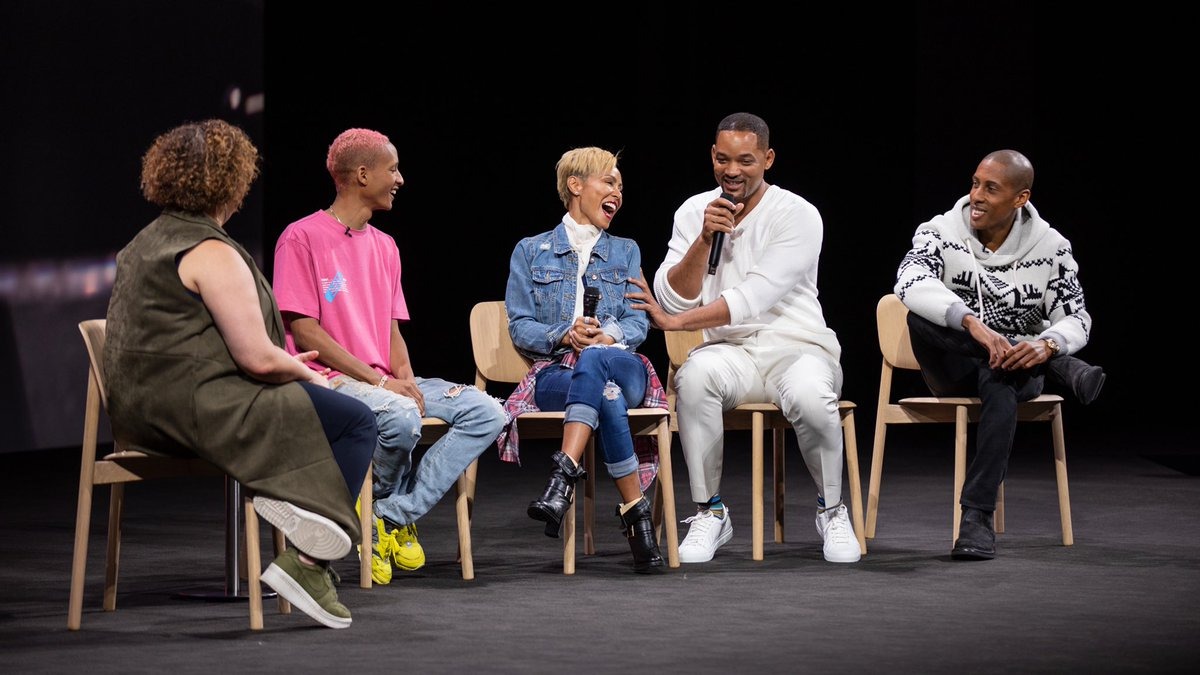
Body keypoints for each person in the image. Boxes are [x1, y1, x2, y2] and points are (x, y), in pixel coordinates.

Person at [104, 119, 375, 629]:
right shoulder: (212, 251)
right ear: (233, 181)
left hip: (138, 410)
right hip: (196, 408)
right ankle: (310, 559)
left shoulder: (142, 243)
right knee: (353, 419)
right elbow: (254, 356)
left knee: (315, 407)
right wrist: (304, 373)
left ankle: (297, 507)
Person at [272, 128, 506, 585]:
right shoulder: (300, 238)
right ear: (362, 174)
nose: (400, 178)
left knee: (488, 412)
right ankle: (381, 521)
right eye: (393, 169)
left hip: (383, 381)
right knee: (400, 417)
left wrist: (408, 380)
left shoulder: (386, 246)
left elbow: (392, 329)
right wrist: (383, 385)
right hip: (330, 379)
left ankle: (388, 515)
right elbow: (304, 330)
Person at [627, 111, 860, 565]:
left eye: (746, 161)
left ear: (768, 159)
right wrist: (702, 238)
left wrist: (677, 324)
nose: (732, 171)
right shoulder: (695, 211)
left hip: (797, 347)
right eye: (723, 159)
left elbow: (753, 296)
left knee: (812, 396)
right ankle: (710, 512)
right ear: (712, 157)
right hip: (729, 352)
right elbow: (672, 297)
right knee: (693, 381)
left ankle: (832, 510)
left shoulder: (798, 214)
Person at [894, 148, 1104, 561]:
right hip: (951, 365)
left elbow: (1077, 316)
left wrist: (1046, 344)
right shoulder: (938, 231)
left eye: (991, 188)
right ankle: (1066, 369)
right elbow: (909, 279)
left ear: (1020, 198)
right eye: (975, 184)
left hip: (1012, 371)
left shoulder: (1053, 247)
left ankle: (976, 518)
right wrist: (973, 324)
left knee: (1001, 374)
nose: (977, 195)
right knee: (921, 317)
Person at [500, 146, 667, 574]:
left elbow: (638, 323)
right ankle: (636, 515)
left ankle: (563, 476)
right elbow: (520, 326)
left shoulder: (626, 250)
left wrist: (608, 333)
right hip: (559, 372)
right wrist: (564, 333)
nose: (618, 193)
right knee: (606, 395)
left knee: (598, 360)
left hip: (622, 364)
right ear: (576, 186)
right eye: (609, 182)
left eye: (621, 186)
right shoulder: (530, 251)